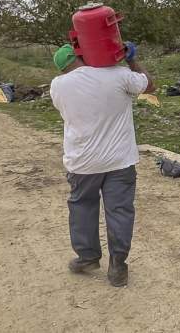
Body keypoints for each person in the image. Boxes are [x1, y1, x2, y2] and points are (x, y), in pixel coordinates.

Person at [49, 42, 154, 287]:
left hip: (82, 162)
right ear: (81, 53)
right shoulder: (119, 75)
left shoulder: (58, 85)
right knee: (119, 210)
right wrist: (131, 60)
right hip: (120, 160)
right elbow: (149, 85)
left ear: (63, 68)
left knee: (82, 207)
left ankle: (87, 256)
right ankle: (118, 265)